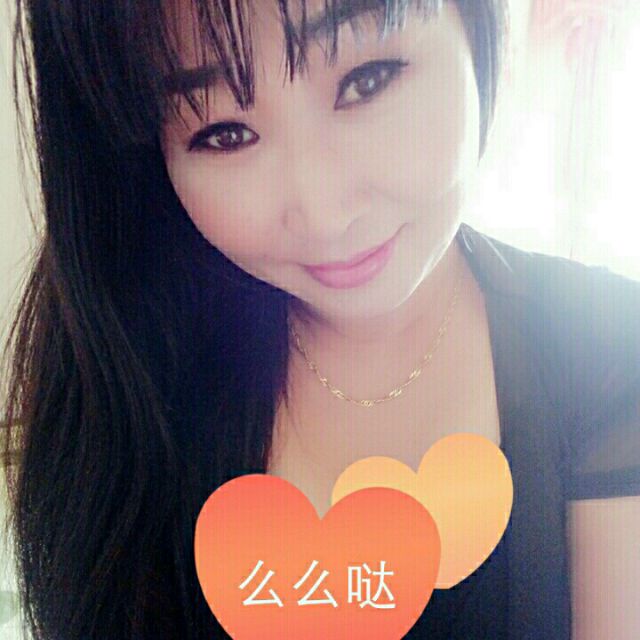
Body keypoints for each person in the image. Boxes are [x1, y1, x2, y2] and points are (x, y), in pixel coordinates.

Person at [2, 0, 639, 638]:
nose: (325, 214)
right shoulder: (124, 374)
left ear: (474, 24)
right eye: (225, 133)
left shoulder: (608, 344)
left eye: (368, 80)